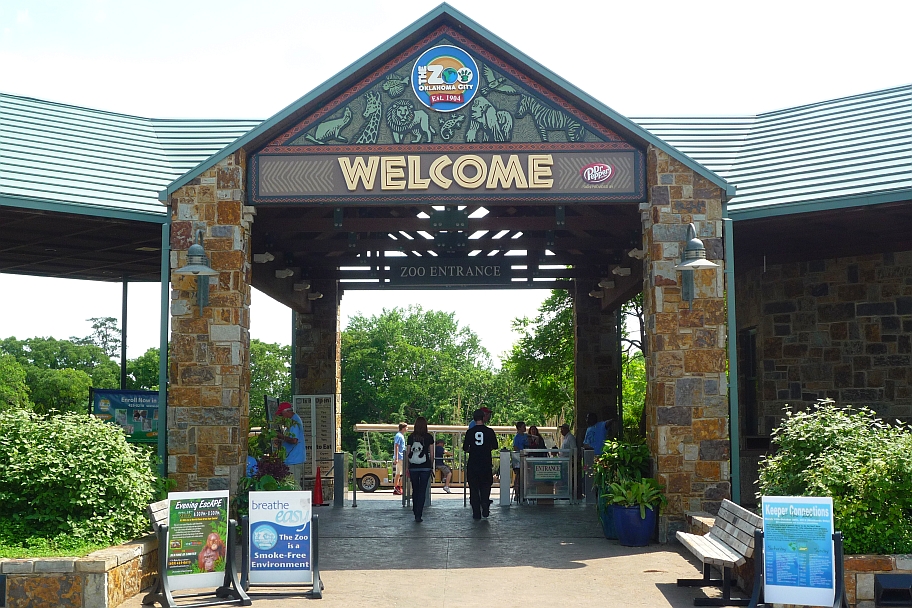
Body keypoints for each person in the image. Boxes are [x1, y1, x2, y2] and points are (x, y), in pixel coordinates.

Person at [462, 408, 498, 520]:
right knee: (486, 486)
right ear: (483, 418)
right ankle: (485, 504)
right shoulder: (489, 431)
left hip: (473, 464)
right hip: (486, 463)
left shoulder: (470, 432)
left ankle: (476, 512)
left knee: (473, 488)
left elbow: (465, 448)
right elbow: (495, 446)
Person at [406, 417, 434, 522]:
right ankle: (419, 514)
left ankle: (415, 509)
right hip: (425, 466)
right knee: (422, 490)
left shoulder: (411, 437)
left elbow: (408, 453)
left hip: (413, 467)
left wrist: (407, 467)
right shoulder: (429, 437)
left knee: (415, 489)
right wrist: (431, 465)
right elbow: (432, 454)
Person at [275, 402, 305, 488]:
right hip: (292, 459)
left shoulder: (294, 422)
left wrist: (280, 436)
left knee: (293, 486)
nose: (281, 416)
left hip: (294, 460)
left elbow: (294, 440)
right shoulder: (293, 420)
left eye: (281, 414)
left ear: (287, 412)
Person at [511, 421, 528, 501]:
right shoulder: (516, 437)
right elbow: (515, 447)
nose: (525, 428)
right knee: (518, 476)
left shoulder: (526, 436)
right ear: (519, 428)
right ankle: (517, 493)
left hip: (526, 459)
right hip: (519, 459)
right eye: (523, 426)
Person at [393, 423, 406, 495]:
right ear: (403, 428)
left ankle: (397, 487)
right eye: (406, 428)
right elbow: (396, 446)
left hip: (401, 456)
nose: (407, 429)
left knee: (399, 473)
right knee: (402, 473)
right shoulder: (399, 436)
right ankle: (399, 487)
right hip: (400, 456)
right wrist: (396, 457)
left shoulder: (401, 436)